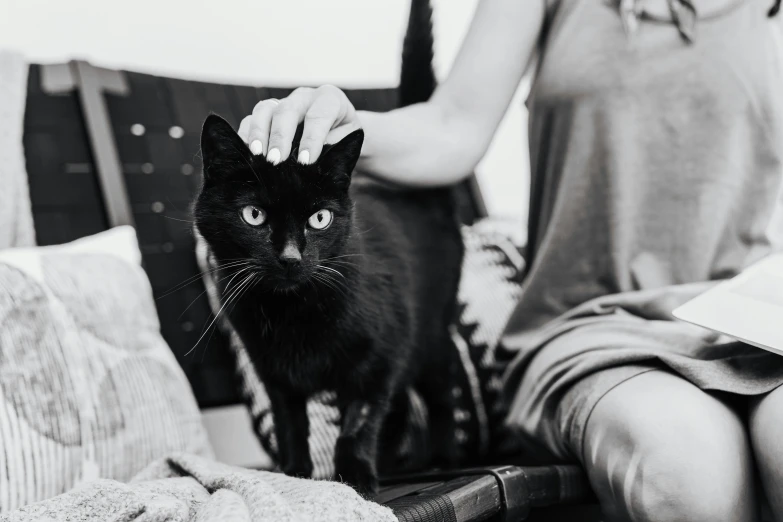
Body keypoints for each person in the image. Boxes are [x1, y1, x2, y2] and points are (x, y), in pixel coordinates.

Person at [237, 1, 783, 520]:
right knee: (687, 473)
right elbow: (452, 129)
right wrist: (342, 125)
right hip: (594, 329)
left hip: (756, 331)